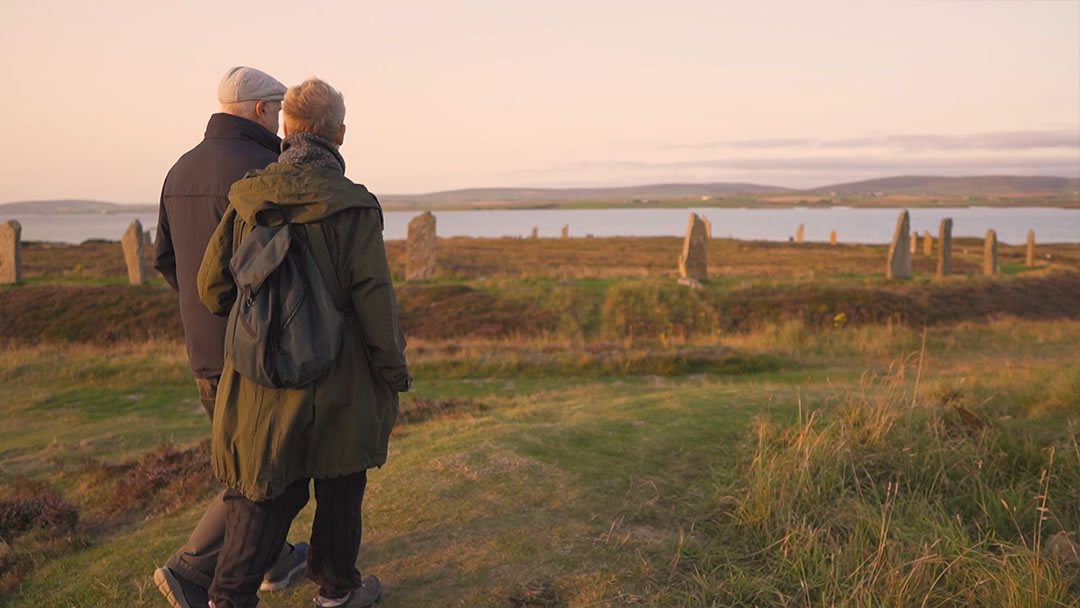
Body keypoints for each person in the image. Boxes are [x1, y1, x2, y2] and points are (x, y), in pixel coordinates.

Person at [197, 76, 410, 608]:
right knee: (340, 484)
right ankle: (337, 592)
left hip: (262, 378)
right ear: (339, 133)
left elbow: (211, 288)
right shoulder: (354, 208)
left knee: (262, 493)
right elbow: (375, 305)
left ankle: (228, 596)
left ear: (287, 128)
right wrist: (393, 372)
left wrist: (264, 317)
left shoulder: (247, 199)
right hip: (341, 378)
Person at [153, 66, 308, 608]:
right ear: (263, 111)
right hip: (254, 353)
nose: (285, 123)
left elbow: (165, 259)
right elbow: (288, 266)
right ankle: (190, 568)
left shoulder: (179, 170)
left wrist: (203, 311)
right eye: (280, 111)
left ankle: (275, 557)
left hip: (203, 352)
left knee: (247, 464)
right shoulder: (266, 168)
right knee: (259, 473)